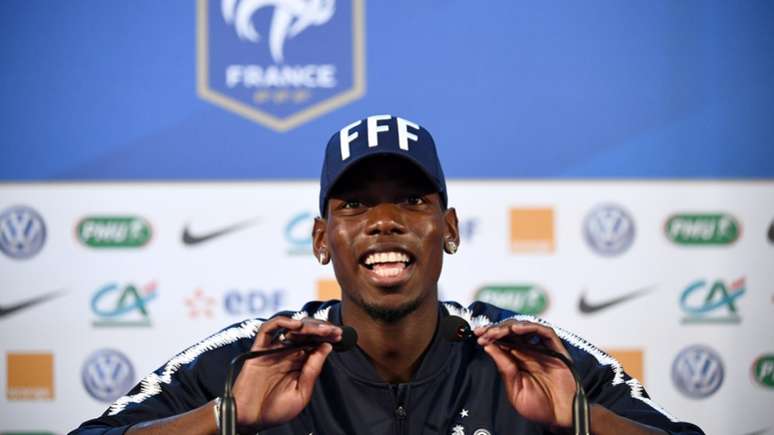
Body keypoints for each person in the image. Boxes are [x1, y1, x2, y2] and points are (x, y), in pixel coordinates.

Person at [70, 115, 704, 435]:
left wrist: (585, 420)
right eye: (354, 204)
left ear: (449, 229)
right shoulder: (249, 359)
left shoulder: (531, 358)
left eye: (412, 200)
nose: (384, 222)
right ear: (323, 240)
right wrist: (226, 416)